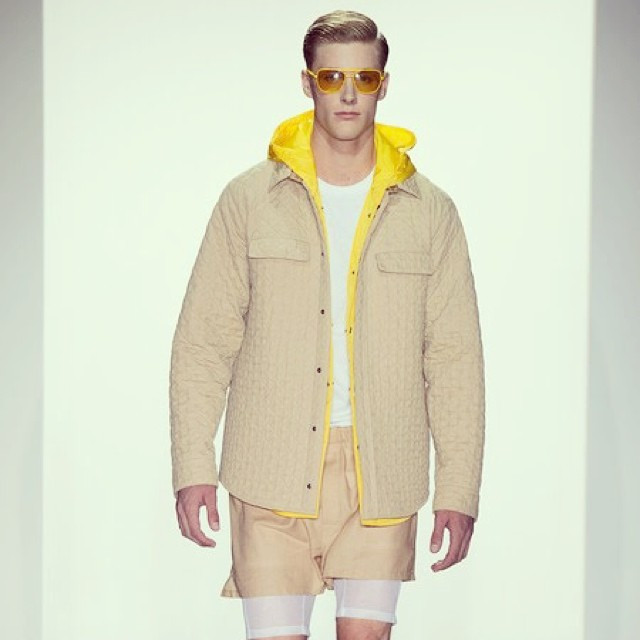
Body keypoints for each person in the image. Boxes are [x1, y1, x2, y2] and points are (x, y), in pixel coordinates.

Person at [169, 9, 485, 640]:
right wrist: (192, 465)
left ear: (383, 86)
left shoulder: (430, 212)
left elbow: (454, 357)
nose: (347, 93)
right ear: (307, 82)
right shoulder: (249, 200)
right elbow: (204, 341)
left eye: (364, 78)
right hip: (270, 465)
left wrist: (459, 488)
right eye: (331, 77)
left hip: (381, 473)